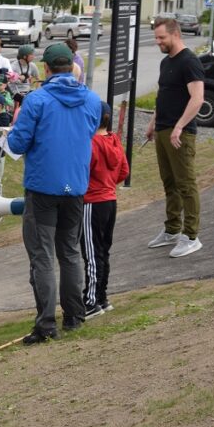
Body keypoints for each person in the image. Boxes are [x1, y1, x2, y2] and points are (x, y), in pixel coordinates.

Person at [5, 42, 102, 345]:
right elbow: (89, 131)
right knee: (70, 252)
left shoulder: (37, 100)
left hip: (43, 187)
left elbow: (18, 145)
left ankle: (47, 324)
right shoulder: (92, 99)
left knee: (43, 255)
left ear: (46, 69)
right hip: (75, 187)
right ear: (72, 67)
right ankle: (75, 316)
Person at [145, 17, 205, 258]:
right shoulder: (165, 62)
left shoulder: (189, 61)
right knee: (169, 183)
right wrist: (152, 123)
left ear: (176, 35)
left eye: (162, 38)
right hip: (162, 129)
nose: (158, 42)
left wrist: (180, 126)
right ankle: (171, 230)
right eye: (156, 38)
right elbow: (164, 95)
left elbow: (197, 98)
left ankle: (191, 236)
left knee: (186, 184)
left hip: (180, 133)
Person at [81, 102, 130, 318]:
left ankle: (91, 301)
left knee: (91, 253)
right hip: (110, 200)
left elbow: (82, 173)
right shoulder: (115, 141)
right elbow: (124, 171)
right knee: (103, 251)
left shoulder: (90, 143)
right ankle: (102, 297)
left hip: (92, 201)